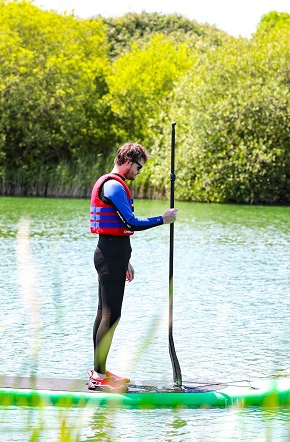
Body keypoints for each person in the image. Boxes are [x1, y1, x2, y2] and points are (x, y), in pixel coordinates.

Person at [88, 142, 178, 392]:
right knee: (111, 315)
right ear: (128, 161)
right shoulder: (114, 185)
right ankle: (98, 376)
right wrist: (163, 219)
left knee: (104, 313)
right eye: (138, 167)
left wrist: (125, 259)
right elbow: (131, 222)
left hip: (113, 255)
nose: (138, 172)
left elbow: (117, 228)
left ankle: (100, 371)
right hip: (109, 256)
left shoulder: (114, 185)